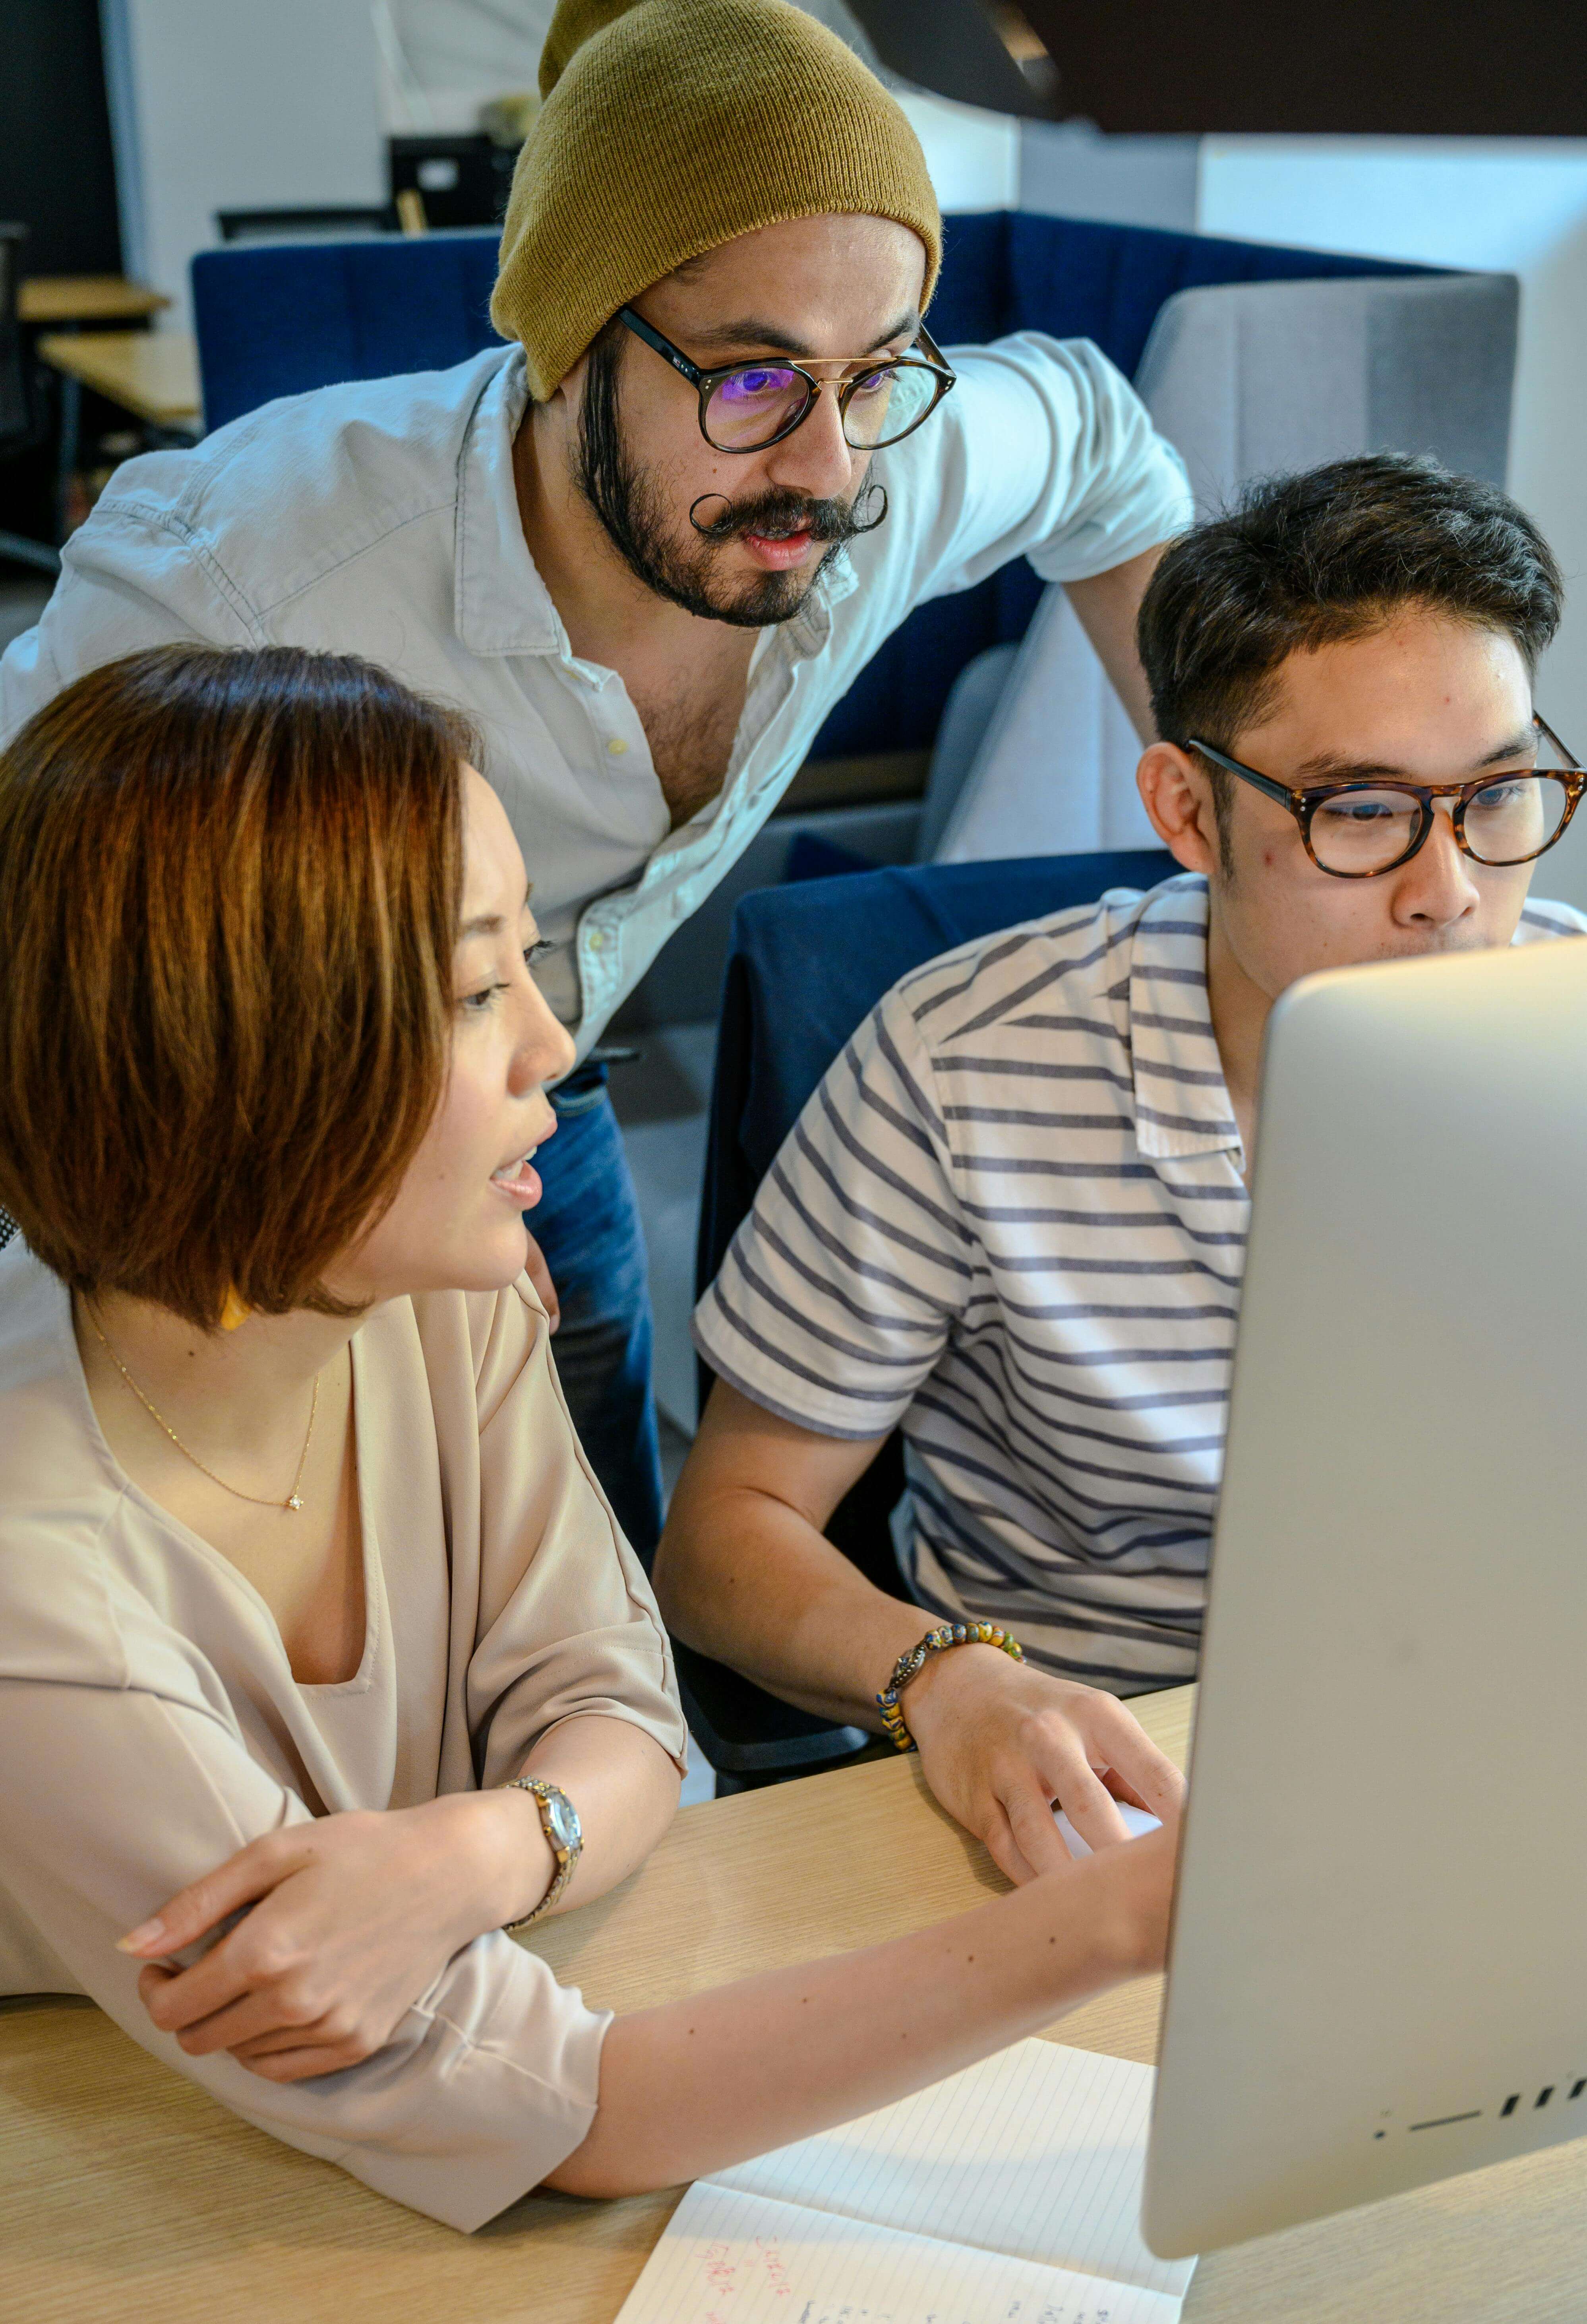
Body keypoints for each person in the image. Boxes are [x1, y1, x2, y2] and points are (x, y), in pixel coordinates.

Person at [0, 643, 1173, 2231]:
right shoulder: (37, 1593)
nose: (556, 1049)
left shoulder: (427, 1281)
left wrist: (481, 1850)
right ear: (258, 1057)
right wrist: (1129, 1919)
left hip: (372, 2105)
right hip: (120, 2163)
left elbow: (623, 1716)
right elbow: (578, 2114)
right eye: (481, 988)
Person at [0, 0, 1192, 1562]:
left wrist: (1223, 798)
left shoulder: (878, 473)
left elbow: (1103, 441)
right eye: (755, 381)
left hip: (533, 1103)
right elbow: (41, 965)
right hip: (264, 1146)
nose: (830, 468)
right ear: (573, 339)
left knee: (605, 1593)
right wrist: (326, 1194)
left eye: (877, 372)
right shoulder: (243, 587)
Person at [657, 454, 1587, 1888]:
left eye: (1500, 793)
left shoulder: (1563, 1015)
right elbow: (725, 1543)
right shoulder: (966, 1063)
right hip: (1122, 1781)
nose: (1451, 892)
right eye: (1357, 811)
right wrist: (946, 1683)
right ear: (1185, 810)